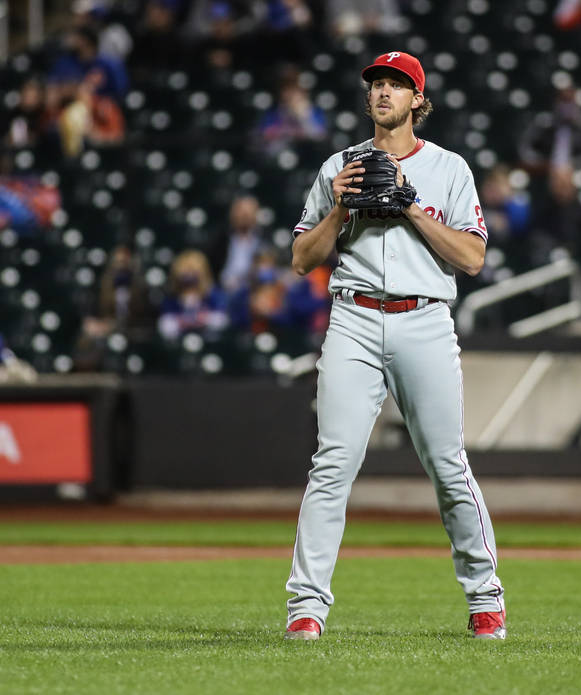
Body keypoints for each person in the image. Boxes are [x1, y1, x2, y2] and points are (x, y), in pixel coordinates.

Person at [284, 51, 506, 641]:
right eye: (377, 83)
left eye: (396, 85)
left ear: (417, 100)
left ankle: (486, 598)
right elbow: (302, 258)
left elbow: (473, 257)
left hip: (424, 320)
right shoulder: (339, 167)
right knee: (332, 464)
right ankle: (305, 607)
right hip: (353, 316)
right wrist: (339, 207)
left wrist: (409, 206)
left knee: (447, 465)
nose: (384, 92)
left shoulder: (450, 169)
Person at [157, 249, 229, 340]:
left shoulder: (213, 294)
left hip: (209, 339)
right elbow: (165, 326)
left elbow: (222, 321)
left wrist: (204, 318)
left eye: (193, 273)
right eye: (185, 274)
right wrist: (181, 322)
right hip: (179, 341)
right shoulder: (172, 298)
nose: (189, 278)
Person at [208, 195, 263, 293]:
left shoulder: (264, 239)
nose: (245, 216)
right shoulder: (220, 238)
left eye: (248, 212)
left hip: (253, 290)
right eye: (241, 212)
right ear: (232, 214)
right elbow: (211, 266)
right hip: (221, 289)